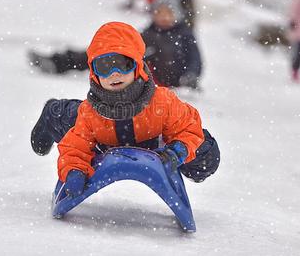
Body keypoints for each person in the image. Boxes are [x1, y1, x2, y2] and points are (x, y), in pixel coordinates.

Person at [30, 22, 220, 196]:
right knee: (67, 118)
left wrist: (179, 150)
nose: (114, 73)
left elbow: (188, 126)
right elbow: (75, 147)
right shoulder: (89, 113)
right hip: (102, 138)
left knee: (205, 154)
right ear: (94, 73)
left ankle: (194, 158)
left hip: (155, 144)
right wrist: (74, 171)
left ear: (137, 65)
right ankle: (52, 112)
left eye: (123, 64)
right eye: (104, 66)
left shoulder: (163, 102)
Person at [29, 0, 203, 89]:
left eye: (168, 13)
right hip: (139, 75)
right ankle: (59, 61)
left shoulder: (184, 35)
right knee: (105, 53)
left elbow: (195, 59)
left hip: (170, 79)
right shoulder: (148, 34)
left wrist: (191, 76)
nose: (164, 17)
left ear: (176, 15)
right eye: (160, 12)